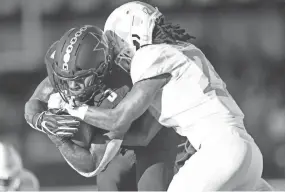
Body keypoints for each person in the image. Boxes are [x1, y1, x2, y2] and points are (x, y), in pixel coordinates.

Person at [58, 1, 272, 191]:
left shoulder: (149, 55)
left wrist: (72, 108)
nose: (114, 53)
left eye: (115, 43)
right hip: (248, 153)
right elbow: (142, 136)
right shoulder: (184, 49)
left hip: (219, 151)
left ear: (131, 34)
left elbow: (118, 119)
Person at [24, 26, 180, 191]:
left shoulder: (120, 87)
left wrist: (60, 139)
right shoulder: (69, 67)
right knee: (109, 185)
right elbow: (34, 103)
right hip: (119, 142)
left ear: (102, 70)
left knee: (151, 187)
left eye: (80, 79)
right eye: (65, 79)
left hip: (150, 136)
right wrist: (40, 120)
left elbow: (92, 163)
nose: (71, 86)